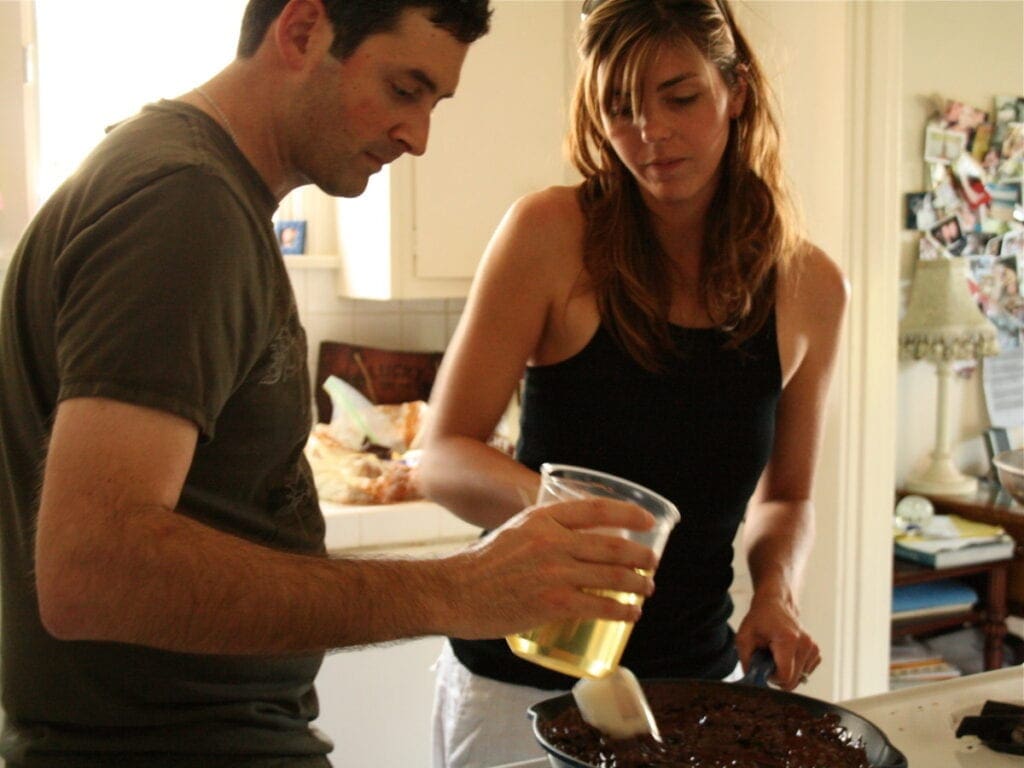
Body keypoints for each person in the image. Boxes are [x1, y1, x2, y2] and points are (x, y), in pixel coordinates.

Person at [0, 1, 661, 766]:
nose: (417, 138)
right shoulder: (184, 202)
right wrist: (460, 589)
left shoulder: (197, 188)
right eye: (404, 89)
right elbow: (93, 567)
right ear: (303, 29)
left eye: (433, 103)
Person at [417, 0, 849, 765]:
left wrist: (776, 592)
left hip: (696, 687)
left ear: (736, 89)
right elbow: (442, 455)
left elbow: (786, 497)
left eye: (679, 96)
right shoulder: (550, 234)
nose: (650, 131)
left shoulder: (809, 285)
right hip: (520, 684)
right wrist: (569, 514)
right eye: (619, 106)